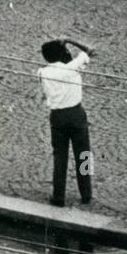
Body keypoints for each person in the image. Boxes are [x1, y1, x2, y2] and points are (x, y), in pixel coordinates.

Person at [38, 37, 93, 207]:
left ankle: (58, 196)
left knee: (59, 157)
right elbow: (89, 49)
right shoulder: (72, 68)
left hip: (57, 117)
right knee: (83, 154)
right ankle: (86, 193)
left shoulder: (42, 72)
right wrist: (70, 40)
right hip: (76, 114)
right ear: (63, 53)